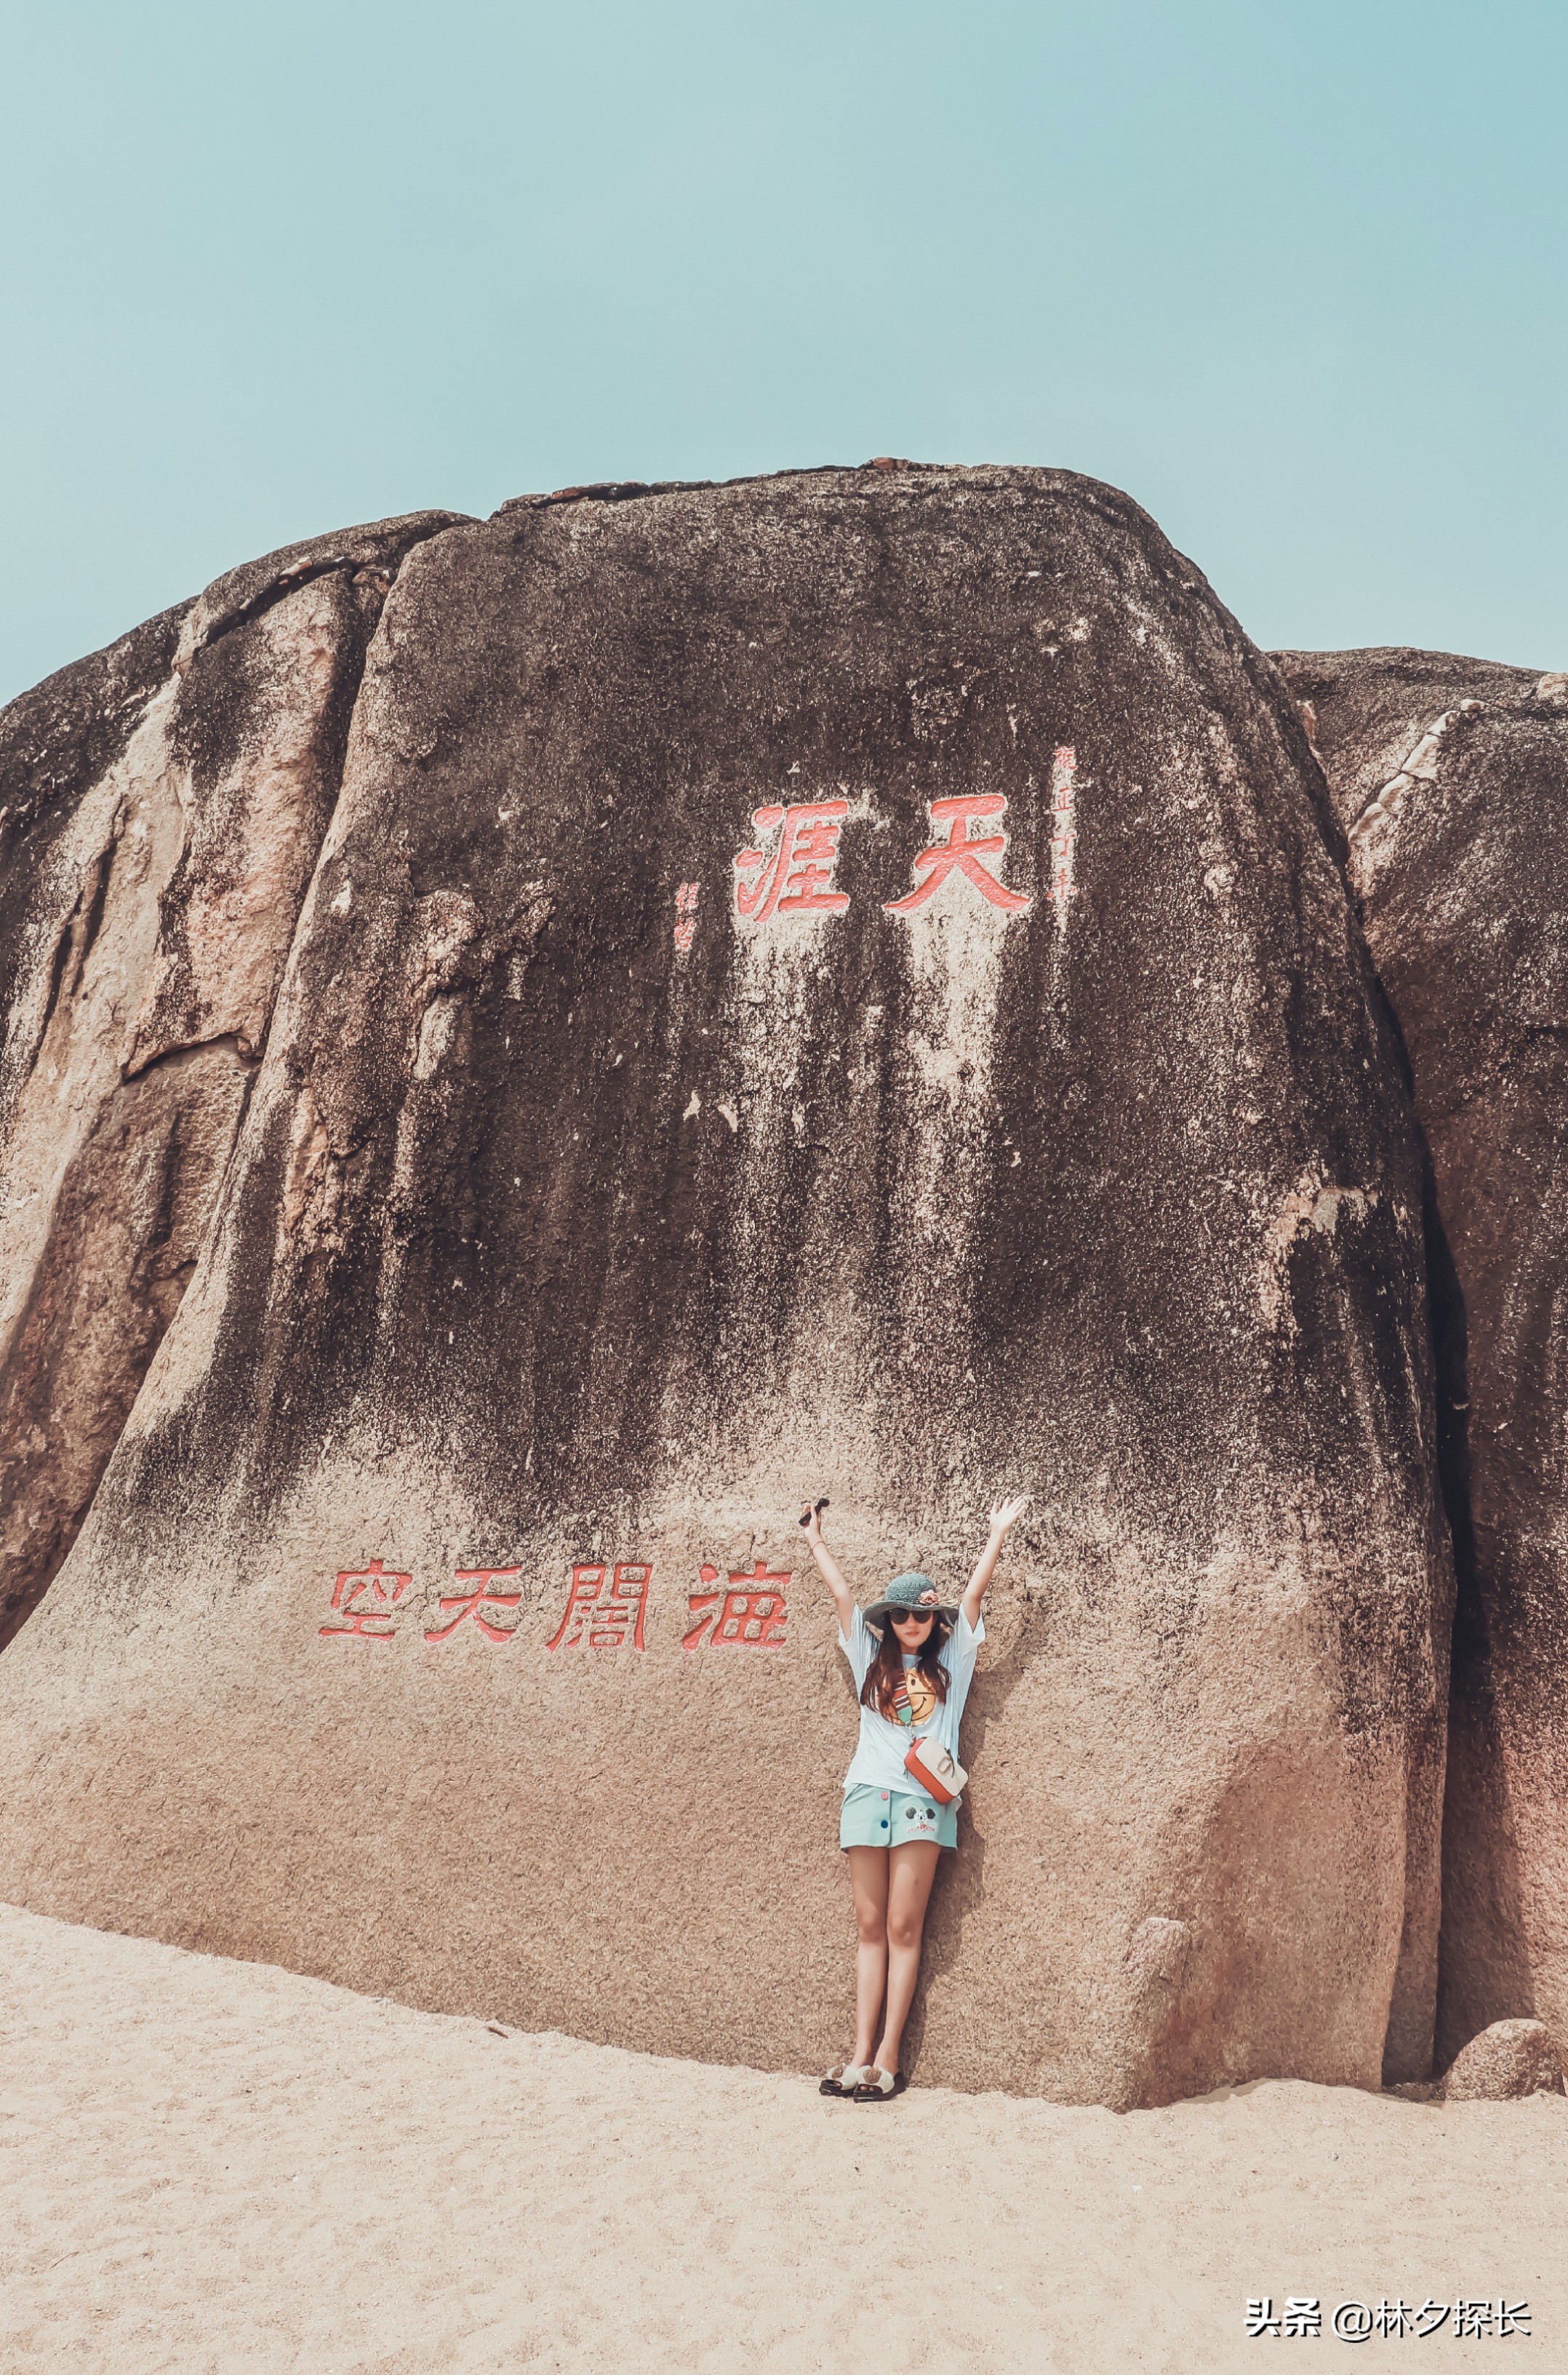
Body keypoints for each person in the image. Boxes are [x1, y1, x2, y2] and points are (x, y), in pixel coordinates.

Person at [801, 1493, 1028, 2102]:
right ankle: (856, 2055)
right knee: (869, 1927)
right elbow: (843, 1599)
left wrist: (996, 1533)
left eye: (921, 1616)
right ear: (889, 1620)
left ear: (934, 1622)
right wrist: (815, 1538)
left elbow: (975, 1600)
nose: (911, 1624)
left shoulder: (951, 1660)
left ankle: (888, 2056)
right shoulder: (868, 1659)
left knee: (905, 1927)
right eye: (901, 1615)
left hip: (923, 1803)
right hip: (865, 1793)